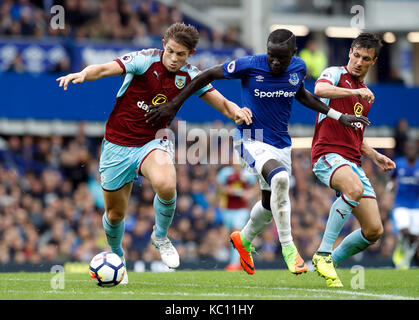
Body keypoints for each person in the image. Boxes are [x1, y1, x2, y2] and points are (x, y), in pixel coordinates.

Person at [145, 28, 369, 275]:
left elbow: (302, 95)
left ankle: (244, 239)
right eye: (271, 55)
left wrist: (338, 116)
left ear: (293, 54)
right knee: (281, 179)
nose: (273, 61)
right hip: (251, 138)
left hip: (281, 143)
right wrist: (174, 104)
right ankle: (289, 248)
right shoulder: (251, 65)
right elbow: (206, 75)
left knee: (268, 203)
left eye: (280, 58)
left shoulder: (298, 68)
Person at [56, 22, 251, 284]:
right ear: (163, 45)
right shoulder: (144, 60)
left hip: (153, 141)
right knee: (115, 215)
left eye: (180, 54)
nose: (173, 59)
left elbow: (224, 104)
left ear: (190, 54)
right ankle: (117, 257)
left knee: (166, 184)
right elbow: (104, 68)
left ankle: (160, 237)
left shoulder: (192, 75)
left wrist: (237, 111)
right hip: (117, 144)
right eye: (170, 51)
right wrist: (83, 73)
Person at [310, 32, 396, 287]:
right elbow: (318, 89)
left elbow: (356, 135)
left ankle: (329, 261)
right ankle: (323, 252)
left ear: (373, 61)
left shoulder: (367, 95)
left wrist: (375, 155)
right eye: (356, 55)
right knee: (354, 188)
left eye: (365, 58)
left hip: (352, 160)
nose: (358, 61)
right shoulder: (335, 74)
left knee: (374, 231)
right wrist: (355, 91)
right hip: (326, 153)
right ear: (350, 52)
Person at [216, 157, 257, 271]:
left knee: (236, 232)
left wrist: (249, 194)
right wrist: (228, 190)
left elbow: (256, 188)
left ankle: (235, 263)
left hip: (241, 209)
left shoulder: (248, 175)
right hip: (227, 209)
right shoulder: (225, 173)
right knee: (227, 237)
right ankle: (240, 259)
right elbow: (219, 187)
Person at [391, 139, 419, 269]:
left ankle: (406, 259)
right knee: (405, 230)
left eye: (413, 148)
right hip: (400, 204)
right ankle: (401, 247)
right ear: (406, 150)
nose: (411, 150)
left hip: (416, 206)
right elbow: (391, 180)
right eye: (409, 148)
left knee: (415, 236)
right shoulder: (399, 164)